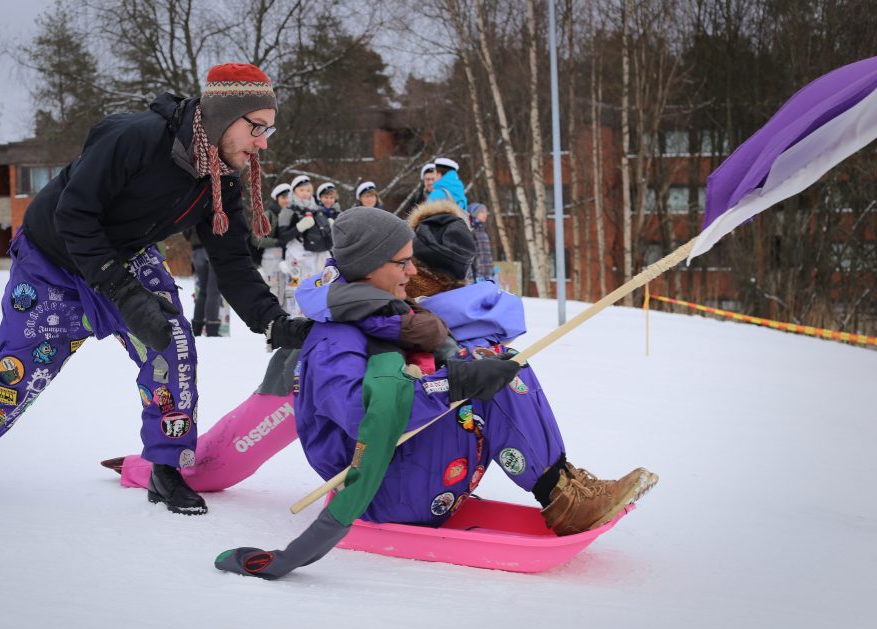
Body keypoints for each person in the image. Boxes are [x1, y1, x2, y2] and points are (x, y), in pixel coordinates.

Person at [0, 63, 311, 515]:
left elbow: (232, 262)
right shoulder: (137, 138)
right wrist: (123, 294)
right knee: (19, 373)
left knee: (173, 347)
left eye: (268, 131)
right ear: (222, 116)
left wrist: (272, 321)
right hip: (54, 260)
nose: (262, 142)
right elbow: (74, 216)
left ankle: (166, 469)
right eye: (256, 127)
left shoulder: (218, 182)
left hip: (126, 255)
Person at [215, 203, 656, 579]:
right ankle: (560, 497)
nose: (413, 271)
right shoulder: (335, 342)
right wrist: (456, 381)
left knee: (499, 359)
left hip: (416, 475)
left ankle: (562, 484)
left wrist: (462, 370)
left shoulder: (391, 316)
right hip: (383, 490)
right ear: (370, 267)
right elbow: (361, 415)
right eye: (403, 262)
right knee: (488, 370)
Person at [276, 175, 331, 315]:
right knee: (295, 291)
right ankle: (294, 321)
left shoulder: (316, 209)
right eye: (301, 190)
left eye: (308, 190)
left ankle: (313, 318)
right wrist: (299, 227)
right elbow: (282, 237)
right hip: (295, 258)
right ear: (294, 191)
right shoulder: (287, 210)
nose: (305, 193)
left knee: (315, 290)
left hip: (315, 258)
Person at [257, 183, 290, 304]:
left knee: (286, 292)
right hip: (270, 258)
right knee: (273, 290)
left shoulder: (291, 214)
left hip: (287, 258)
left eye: (288, 197)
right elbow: (256, 239)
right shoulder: (268, 215)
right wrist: (277, 242)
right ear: (277, 199)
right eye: (283, 197)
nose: (287, 200)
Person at [188, 233, 223, 337]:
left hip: (196, 250)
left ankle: (196, 329)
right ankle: (212, 331)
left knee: (203, 290)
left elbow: (187, 232)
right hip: (213, 247)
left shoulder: (192, 216)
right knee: (213, 291)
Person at [467, 202, 495, 282]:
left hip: (488, 275)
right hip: (477, 275)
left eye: (486, 212)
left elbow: (487, 254)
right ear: (474, 213)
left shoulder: (483, 231)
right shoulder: (471, 231)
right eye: (482, 212)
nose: (485, 214)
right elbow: (470, 256)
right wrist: (471, 276)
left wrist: (492, 272)